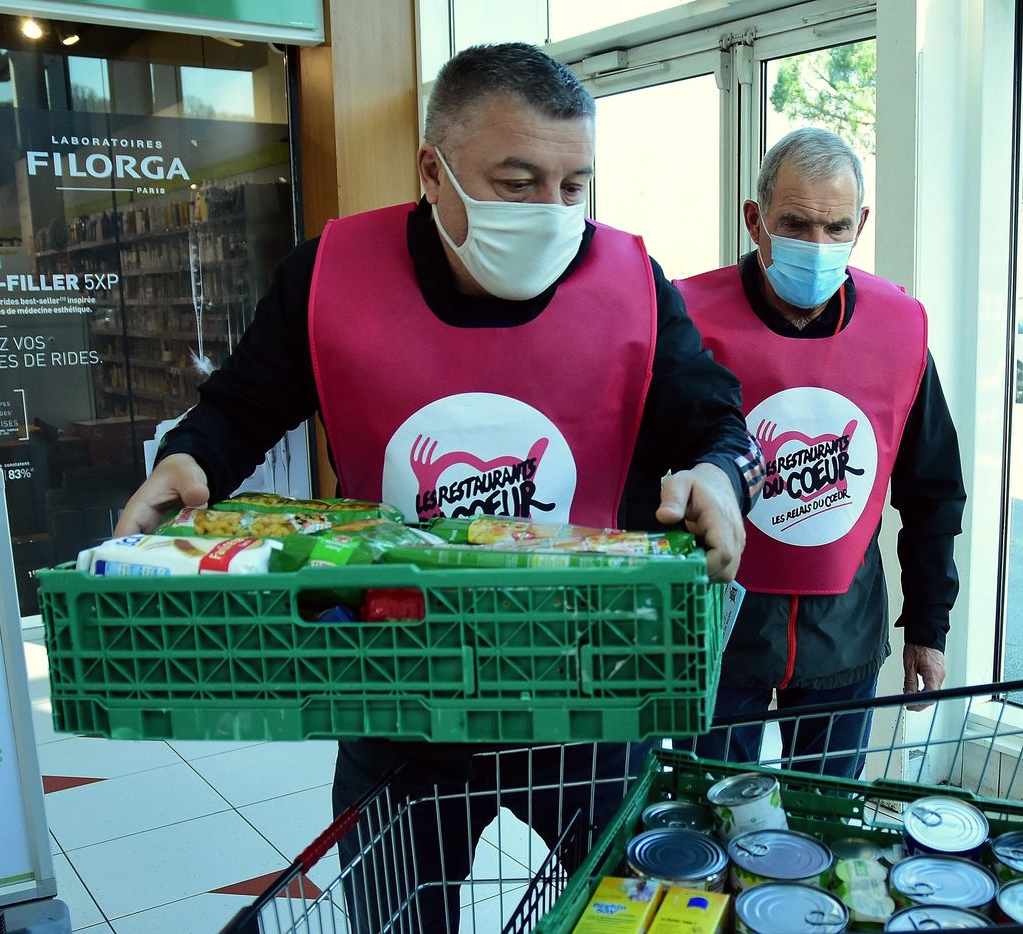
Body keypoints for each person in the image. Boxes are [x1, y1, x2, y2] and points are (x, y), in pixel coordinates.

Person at [113, 42, 760, 933]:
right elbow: (240, 407)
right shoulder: (330, 277)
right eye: (517, 182)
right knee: (396, 915)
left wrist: (721, 478)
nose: (551, 212)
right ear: (433, 170)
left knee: (624, 912)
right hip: (395, 686)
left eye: (574, 186)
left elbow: (717, 421)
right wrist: (191, 459)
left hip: (585, 685)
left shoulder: (633, 285)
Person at [677, 128, 966, 778]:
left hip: (844, 632)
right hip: (715, 633)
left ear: (860, 224)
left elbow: (932, 489)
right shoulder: (688, 320)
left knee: (826, 815)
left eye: (836, 227)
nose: (816, 244)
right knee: (711, 814)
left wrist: (928, 627)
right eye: (795, 224)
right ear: (755, 220)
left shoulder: (898, 329)